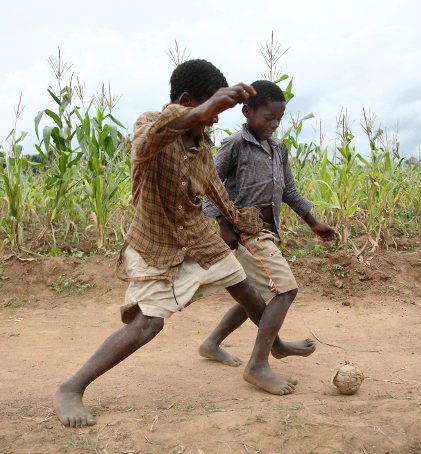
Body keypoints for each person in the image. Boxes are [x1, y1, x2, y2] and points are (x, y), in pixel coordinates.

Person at [53, 61, 302, 429]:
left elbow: (216, 191)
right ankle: (71, 388)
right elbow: (149, 139)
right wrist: (201, 110)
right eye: (213, 111)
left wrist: (242, 222)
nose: (216, 121)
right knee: (147, 325)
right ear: (187, 101)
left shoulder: (201, 143)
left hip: (198, 237)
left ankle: (269, 351)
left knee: (246, 290)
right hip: (157, 242)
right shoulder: (151, 124)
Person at [200, 79, 337, 368]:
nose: (274, 124)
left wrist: (313, 222)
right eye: (268, 117)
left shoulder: (278, 148)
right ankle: (260, 363)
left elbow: (289, 191)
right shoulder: (235, 145)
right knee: (285, 291)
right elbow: (209, 183)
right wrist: (224, 227)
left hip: (268, 233)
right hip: (246, 232)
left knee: (254, 295)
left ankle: (211, 343)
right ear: (247, 112)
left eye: (279, 118)